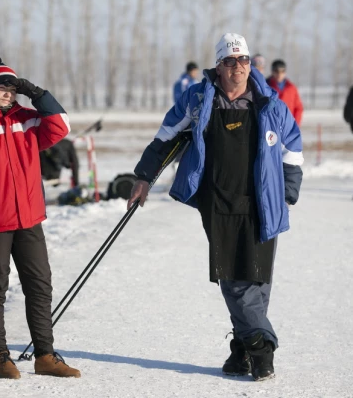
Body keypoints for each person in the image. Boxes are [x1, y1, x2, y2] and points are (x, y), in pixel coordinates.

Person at [129, 33, 303, 382]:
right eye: (229, 61)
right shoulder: (197, 98)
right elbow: (166, 137)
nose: (237, 67)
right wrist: (144, 176)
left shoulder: (270, 102)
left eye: (243, 60)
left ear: (250, 64)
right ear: (219, 66)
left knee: (257, 276)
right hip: (217, 199)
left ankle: (243, 350)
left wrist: (287, 192)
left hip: (263, 200)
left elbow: (291, 148)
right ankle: (260, 346)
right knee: (233, 275)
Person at [0, 57, 80, 379]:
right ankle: (0, 356)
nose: (8, 93)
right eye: (1, 87)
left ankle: (45, 356)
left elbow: (62, 125)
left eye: (12, 87)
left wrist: (34, 92)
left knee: (40, 286)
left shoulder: (29, 120)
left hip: (30, 219)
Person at [266, 59, 303, 125]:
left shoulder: (291, 88)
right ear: (272, 71)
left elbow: (298, 108)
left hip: (288, 125)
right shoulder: (266, 87)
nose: (279, 74)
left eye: (282, 71)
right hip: (271, 125)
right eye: (276, 71)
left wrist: (295, 124)